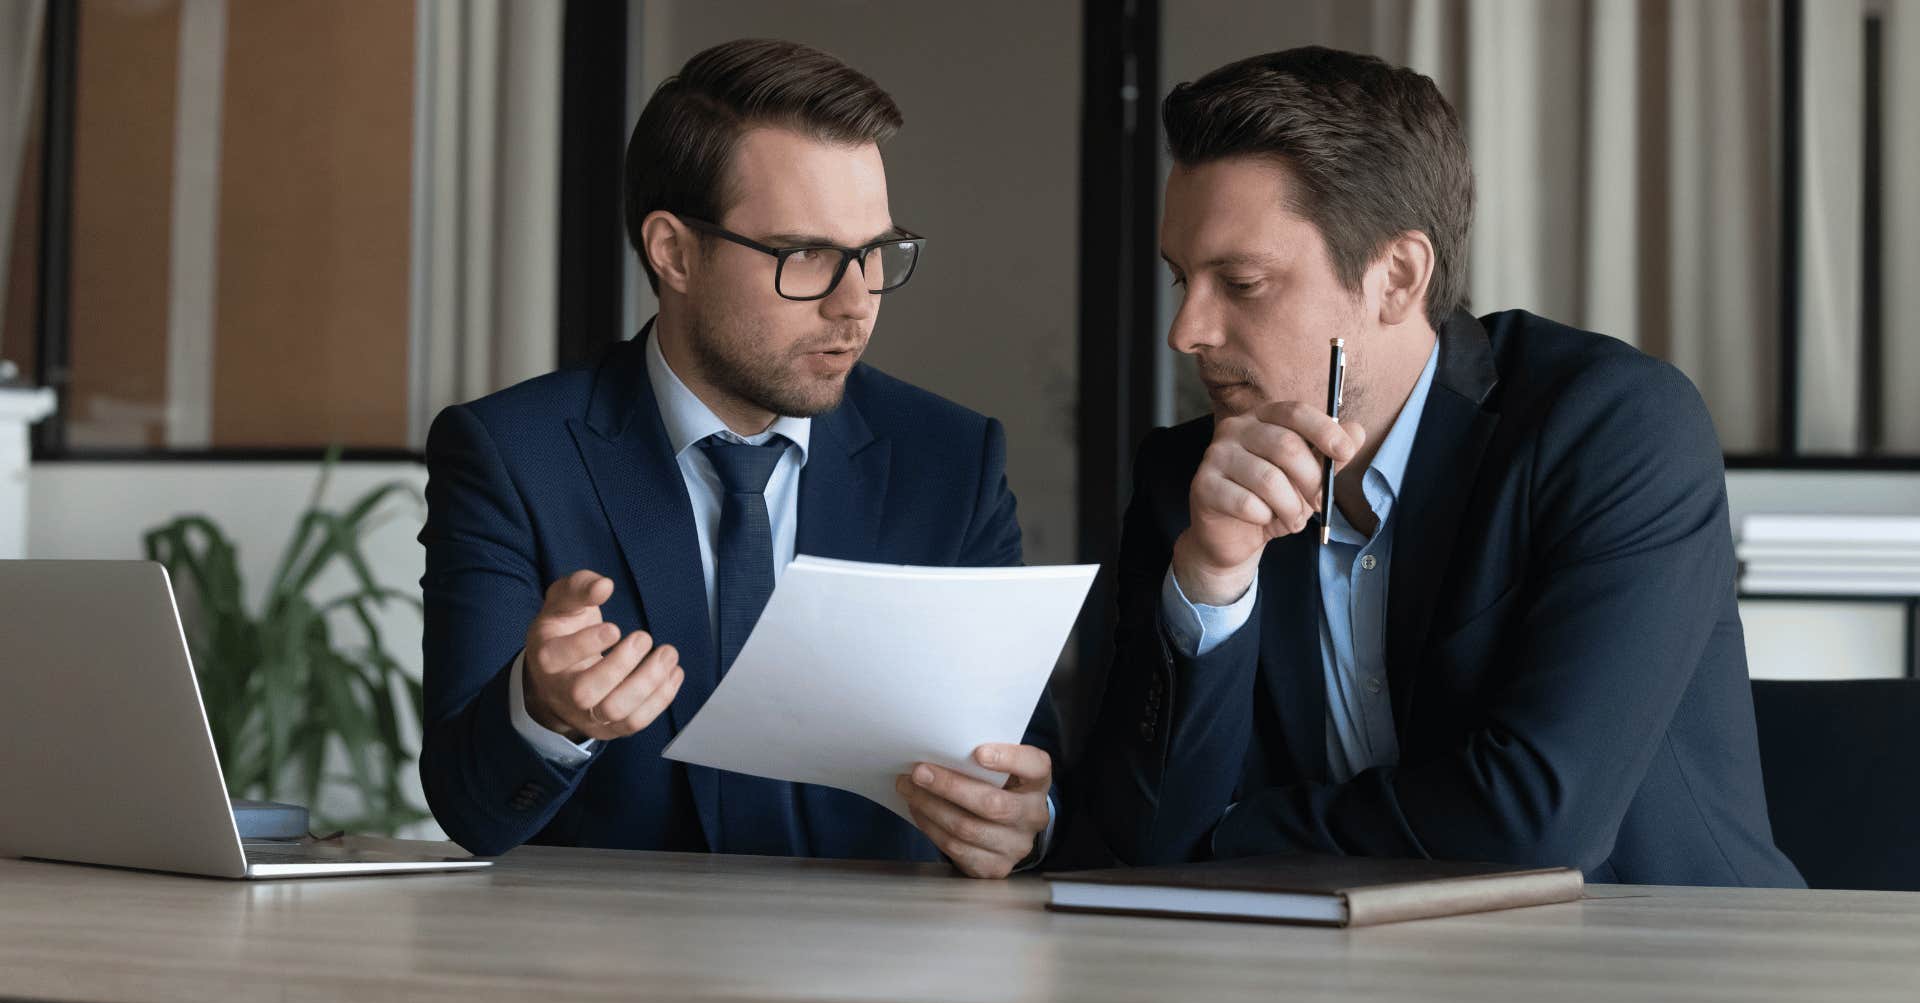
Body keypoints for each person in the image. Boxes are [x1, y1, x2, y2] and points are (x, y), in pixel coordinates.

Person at [1074, 46, 1802, 887]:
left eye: (1241, 282)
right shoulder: (1191, 481)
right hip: (1332, 987)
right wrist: (1212, 579)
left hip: (1655, 975)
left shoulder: (1612, 429)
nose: (1188, 331)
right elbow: (1142, 836)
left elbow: (1535, 823)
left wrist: (1236, 832)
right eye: (1181, 279)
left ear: (1398, 277)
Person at [418, 39, 1055, 878]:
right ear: (674, 253)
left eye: (875, 253)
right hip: (606, 981)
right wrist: (546, 714)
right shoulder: (511, 455)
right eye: (808, 257)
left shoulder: (953, 461)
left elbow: (1024, 763)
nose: (856, 303)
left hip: (883, 978)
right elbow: (470, 813)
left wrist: (1026, 819)